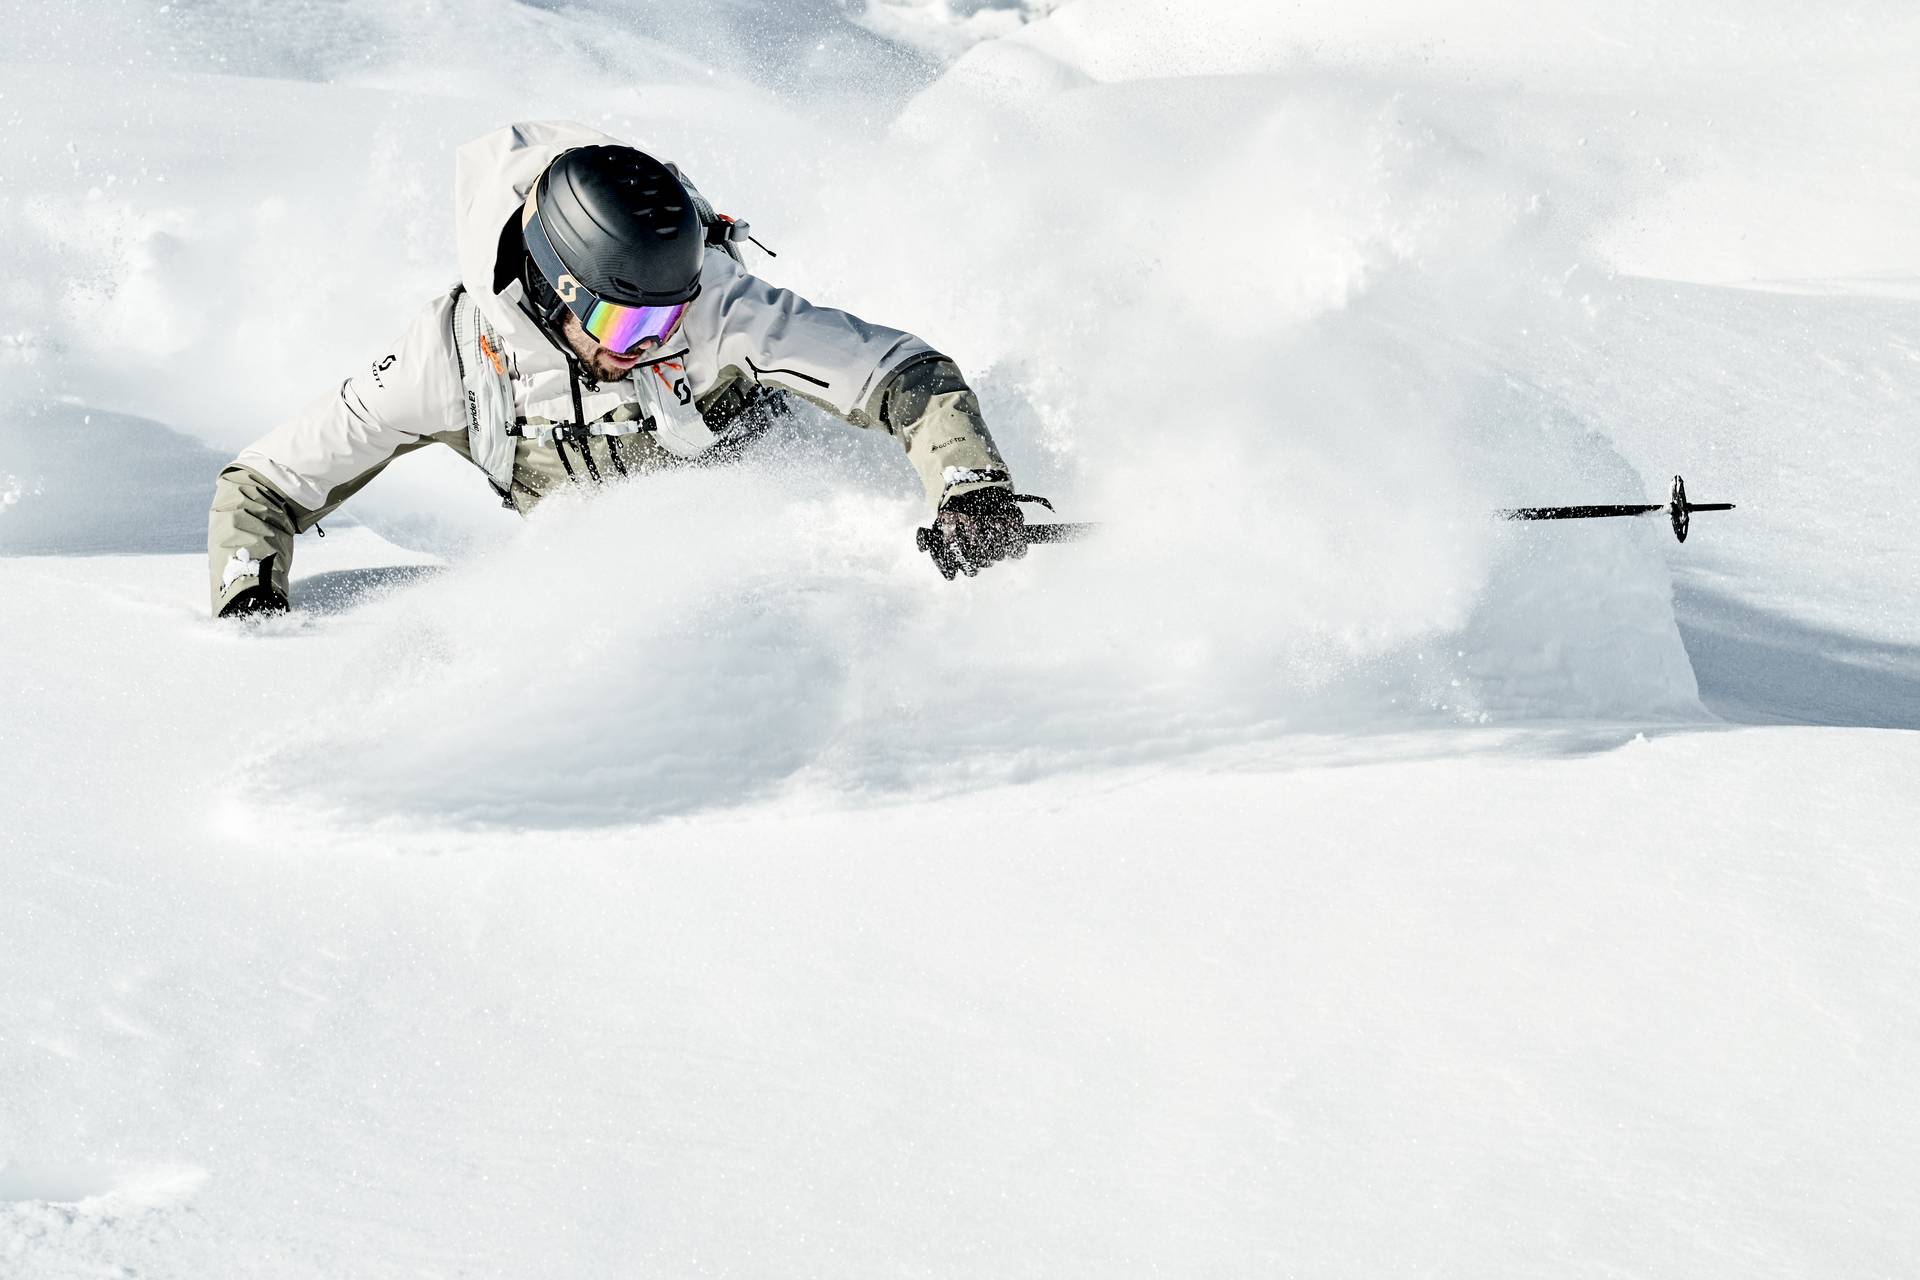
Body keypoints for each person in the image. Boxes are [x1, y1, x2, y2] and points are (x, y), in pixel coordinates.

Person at [207, 120, 1028, 617]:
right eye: (624, 319)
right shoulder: (452, 356)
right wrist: (251, 605)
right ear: (550, 285)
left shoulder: (716, 309)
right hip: (607, 590)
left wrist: (972, 488)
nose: (649, 341)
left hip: (765, 527)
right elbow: (265, 483)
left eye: (666, 315)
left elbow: (902, 371)